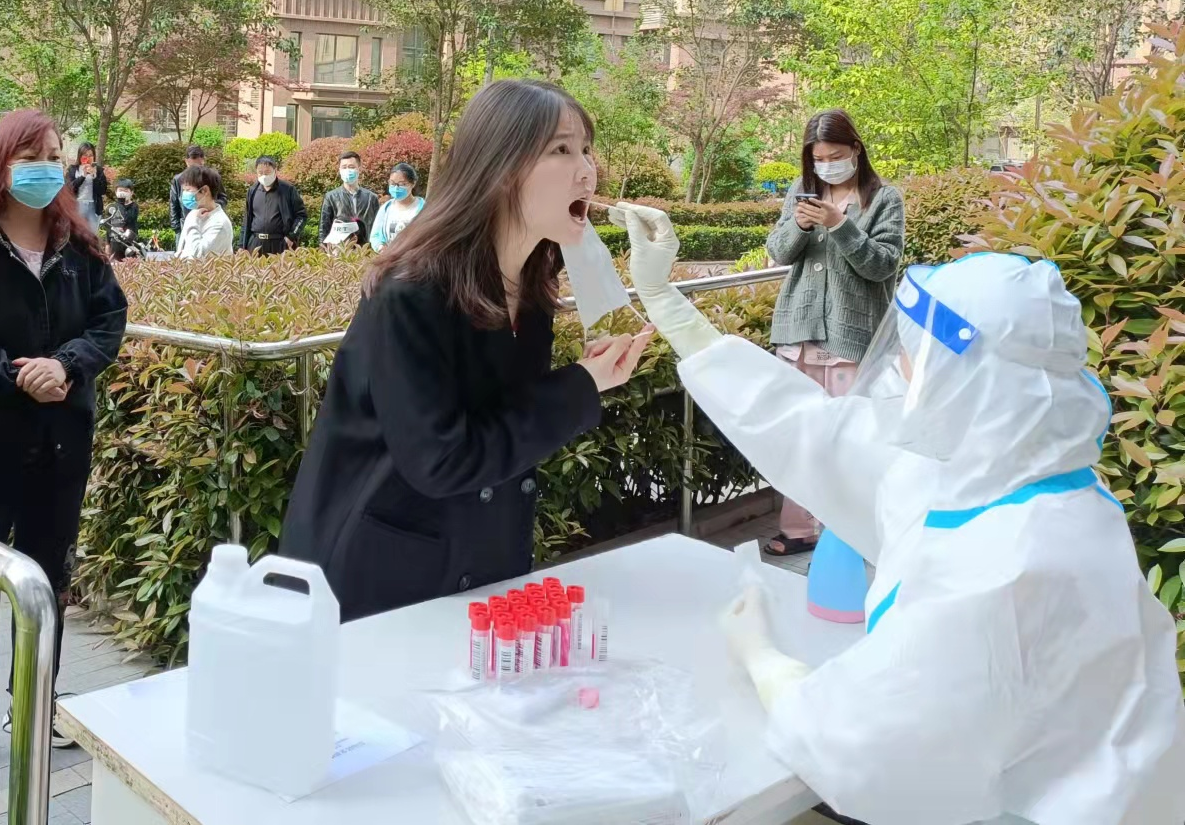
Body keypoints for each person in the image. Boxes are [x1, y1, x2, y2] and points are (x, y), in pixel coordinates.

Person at [617, 204, 1185, 825]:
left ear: (968, 377)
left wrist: (765, 662)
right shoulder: (999, 472)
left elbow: (858, 747)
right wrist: (665, 301)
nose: (897, 368)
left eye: (913, 354)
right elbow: (811, 430)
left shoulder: (1011, 561)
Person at [281, 81, 653, 621]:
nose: (587, 171)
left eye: (587, 150)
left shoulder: (531, 285)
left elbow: (506, 419)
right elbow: (441, 459)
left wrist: (585, 379)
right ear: (501, 169)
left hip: (483, 563)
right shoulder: (409, 292)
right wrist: (580, 385)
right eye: (561, 149)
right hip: (381, 580)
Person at [0, 108, 128, 773]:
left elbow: (109, 319)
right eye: (30, 155)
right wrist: (16, 377)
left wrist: (65, 365)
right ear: (0, 162)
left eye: (54, 154)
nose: (45, 167)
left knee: (48, 583)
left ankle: (33, 702)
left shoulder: (78, 242)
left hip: (59, 444)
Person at [761, 110, 904, 556]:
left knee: (849, 442)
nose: (826, 165)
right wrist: (801, 224)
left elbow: (882, 264)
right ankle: (799, 529)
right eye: (818, 158)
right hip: (799, 334)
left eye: (835, 155)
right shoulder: (801, 191)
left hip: (852, 339)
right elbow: (778, 251)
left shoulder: (884, 199)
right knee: (802, 439)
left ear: (856, 149)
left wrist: (839, 225)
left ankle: (848, 537)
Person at [239, 155, 306, 255]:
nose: (264, 176)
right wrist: (242, 245)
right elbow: (247, 219)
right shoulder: (252, 191)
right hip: (256, 243)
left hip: (280, 243)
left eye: (267, 172)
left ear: (275, 170)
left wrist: (291, 236)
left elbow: (301, 215)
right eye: (260, 173)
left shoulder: (288, 190)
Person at [319, 150, 379, 250]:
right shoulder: (331, 197)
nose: (348, 170)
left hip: (366, 250)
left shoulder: (371, 198)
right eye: (344, 167)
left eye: (351, 167)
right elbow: (324, 228)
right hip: (340, 251)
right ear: (339, 170)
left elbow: (377, 227)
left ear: (359, 169)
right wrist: (323, 250)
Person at [175, 164, 234, 258]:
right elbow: (182, 249)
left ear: (205, 190)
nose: (184, 194)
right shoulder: (194, 213)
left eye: (188, 190)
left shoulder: (220, 224)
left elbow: (198, 256)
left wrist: (194, 221)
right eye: (184, 190)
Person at [169, 144, 224, 233]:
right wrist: (177, 228)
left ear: (203, 161)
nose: (195, 172)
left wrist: (210, 208)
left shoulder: (211, 178)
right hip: (184, 225)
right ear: (186, 161)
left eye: (198, 166)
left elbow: (223, 197)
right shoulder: (178, 179)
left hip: (207, 223)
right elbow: (174, 204)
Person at [369, 162, 424, 251]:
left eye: (402, 184)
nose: (396, 188)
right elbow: (375, 235)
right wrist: (381, 248)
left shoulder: (424, 209)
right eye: (392, 183)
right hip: (389, 257)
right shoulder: (386, 208)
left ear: (413, 183)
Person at [103, 177, 143, 261]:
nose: (122, 193)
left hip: (130, 242)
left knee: (130, 265)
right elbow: (108, 227)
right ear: (116, 192)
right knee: (116, 265)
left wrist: (122, 202)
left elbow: (127, 218)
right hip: (115, 242)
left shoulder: (134, 206)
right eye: (120, 190)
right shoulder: (112, 207)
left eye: (126, 191)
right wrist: (107, 245)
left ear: (131, 193)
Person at [71, 141, 107, 229]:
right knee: (77, 232)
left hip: (93, 206)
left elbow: (102, 190)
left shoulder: (99, 170)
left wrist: (94, 176)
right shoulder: (73, 169)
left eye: (91, 155)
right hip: (77, 205)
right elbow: (69, 188)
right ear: (80, 156)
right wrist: (83, 176)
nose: (88, 158)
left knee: (92, 233)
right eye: (85, 155)